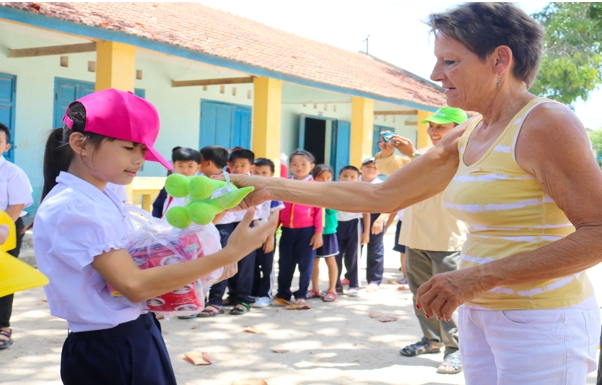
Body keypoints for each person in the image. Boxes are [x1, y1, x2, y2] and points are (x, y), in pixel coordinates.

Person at [223, 3, 602, 384]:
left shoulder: (546, 123)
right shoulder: (469, 132)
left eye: (450, 62)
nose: (437, 75)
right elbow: (381, 196)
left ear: (500, 59)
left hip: (542, 319)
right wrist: (269, 186)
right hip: (479, 312)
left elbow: (598, 233)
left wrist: (479, 277)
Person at [32, 89, 276, 384]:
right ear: (80, 143)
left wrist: (217, 210)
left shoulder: (101, 195)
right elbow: (134, 285)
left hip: (131, 336)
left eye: (144, 150)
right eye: (129, 148)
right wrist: (227, 254)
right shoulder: (74, 207)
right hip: (111, 348)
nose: (139, 160)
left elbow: (151, 253)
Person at [375, 107, 468, 375]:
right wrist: (388, 151)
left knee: (449, 297)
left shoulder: (465, 156)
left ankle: (455, 349)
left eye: (441, 127)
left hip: (447, 239)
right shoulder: (422, 156)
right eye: (431, 126)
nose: (433, 131)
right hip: (414, 237)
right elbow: (392, 170)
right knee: (420, 295)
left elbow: (438, 175)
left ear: (457, 131)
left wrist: (412, 154)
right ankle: (431, 340)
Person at [204, 149, 258, 316]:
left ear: (251, 167)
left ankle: (241, 299)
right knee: (220, 261)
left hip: (246, 224)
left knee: (245, 264)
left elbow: (263, 207)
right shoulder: (221, 180)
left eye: (243, 165)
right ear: (228, 164)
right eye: (234, 165)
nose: (238, 169)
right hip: (223, 224)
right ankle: (215, 301)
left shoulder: (256, 182)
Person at [0, 123, 33, 350]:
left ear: (6, 146)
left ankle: (2, 326)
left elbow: (17, 204)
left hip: (6, 229)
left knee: (4, 278)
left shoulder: (12, 172)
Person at [277, 150, 323, 306]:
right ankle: (283, 293)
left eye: (304, 164)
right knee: (285, 263)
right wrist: (272, 231)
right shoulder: (285, 183)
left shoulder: (315, 186)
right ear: (290, 166)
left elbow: (319, 211)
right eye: (295, 164)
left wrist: (318, 232)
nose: (299, 168)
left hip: (307, 232)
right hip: (287, 231)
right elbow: (278, 208)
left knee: (305, 264)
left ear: (312, 166)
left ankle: (301, 294)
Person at [250, 158, 284, 308]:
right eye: (256, 172)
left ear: (271, 174)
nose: (260, 175)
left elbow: (274, 218)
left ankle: (265, 295)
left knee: (266, 266)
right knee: (251, 266)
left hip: (266, 236)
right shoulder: (248, 191)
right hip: (250, 236)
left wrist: (270, 238)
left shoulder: (273, 194)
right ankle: (253, 293)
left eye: (264, 173)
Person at [335, 166, 370, 297]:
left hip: (354, 225)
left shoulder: (361, 193)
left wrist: (366, 233)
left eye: (352, 177)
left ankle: (354, 284)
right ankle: (336, 285)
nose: (348, 179)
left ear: (358, 179)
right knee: (335, 257)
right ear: (339, 177)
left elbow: (366, 214)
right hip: (336, 226)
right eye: (345, 176)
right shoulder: (334, 191)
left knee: (353, 257)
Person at [308, 164, 339, 302]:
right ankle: (314, 288)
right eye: (321, 178)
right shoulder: (310, 192)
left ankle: (332, 289)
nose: (325, 180)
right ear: (314, 178)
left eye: (328, 177)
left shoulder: (333, 193)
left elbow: (333, 210)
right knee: (314, 261)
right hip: (313, 231)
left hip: (328, 231)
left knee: (330, 260)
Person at [359, 158, 389, 293]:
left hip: (375, 218)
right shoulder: (354, 182)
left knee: (375, 251)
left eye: (374, 167)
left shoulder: (383, 185)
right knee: (352, 250)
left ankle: (374, 280)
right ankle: (350, 276)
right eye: (368, 166)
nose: (371, 169)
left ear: (379, 171)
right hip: (356, 218)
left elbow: (391, 204)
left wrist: (380, 220)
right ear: (361, 168)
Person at [160, 147, 201, 216]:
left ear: (198, 167)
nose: (185, 170)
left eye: (190, 166)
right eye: (180, 166)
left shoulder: (200, 186)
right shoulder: (170, 186)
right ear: (174, 166)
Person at [384, 209, 407, 284]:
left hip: (416, 222)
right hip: (402, 222)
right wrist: (386, 227)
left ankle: (410, 277)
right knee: (403, 252)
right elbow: (393, 211)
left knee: (415, 251)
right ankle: (406, 277)